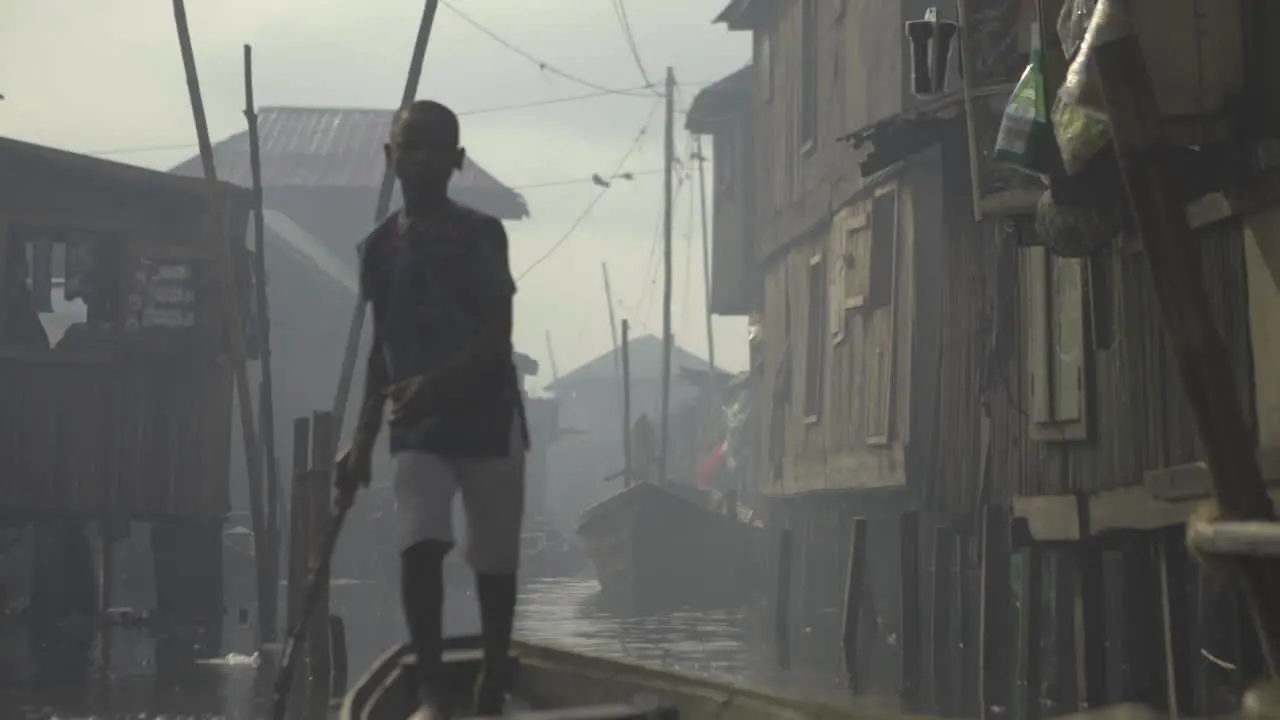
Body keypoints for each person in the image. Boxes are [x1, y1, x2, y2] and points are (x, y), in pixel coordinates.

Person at [335, 100, 528, 718]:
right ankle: (433, 688)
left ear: (457, 161)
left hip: (488, 419)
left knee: (493, 560)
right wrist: (360, 443)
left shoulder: (480, 234)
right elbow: (381, 353)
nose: (419, 158)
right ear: (390, 160)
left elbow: (497, 336)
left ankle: (493, 681)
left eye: (433, 147)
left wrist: (437, 384)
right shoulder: (377, 249)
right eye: (408, 147)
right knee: (421, 542)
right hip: (417, 426)